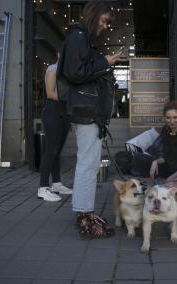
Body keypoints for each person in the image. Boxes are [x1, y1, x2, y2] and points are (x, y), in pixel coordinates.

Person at [56, 0, 122, 239]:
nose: (105, 26)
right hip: (87, 112)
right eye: (104, 21)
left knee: (89, 163)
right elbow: (75, 73)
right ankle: (84, 216)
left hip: (88, 111)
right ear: (94, 16)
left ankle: (84, 213)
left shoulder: (80, 38)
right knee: (87, 164)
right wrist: (105, 62)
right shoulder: (78, 38)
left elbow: (78, 71)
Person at [132, 101, 177, 182]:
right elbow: (166, 156)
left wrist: (172, 177)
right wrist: (155, 162)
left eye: (175, 117)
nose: (171, 121)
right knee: (138, 157)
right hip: (168, 167)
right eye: (168, 118)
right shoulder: (165, 130)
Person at [37, 53, 72, 202]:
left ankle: (56, 184)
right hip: (52, 112)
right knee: (50, 151)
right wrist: (72, 98)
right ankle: (43, 188)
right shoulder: (53, 68)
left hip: (64, 114)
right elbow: (50, 93)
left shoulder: (67, 72)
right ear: (59, 54)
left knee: (57, 151)